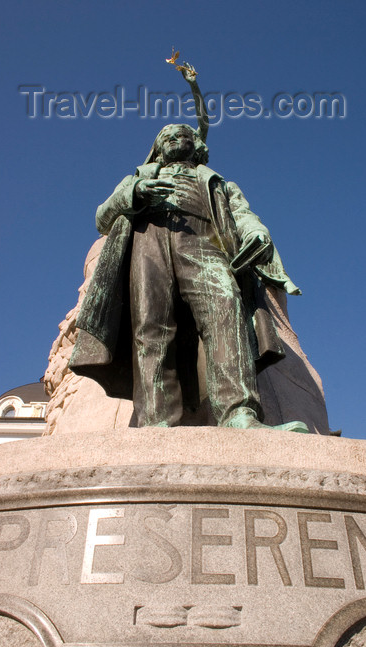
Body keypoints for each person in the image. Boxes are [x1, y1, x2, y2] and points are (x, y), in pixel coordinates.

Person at [70, 66, 308, 432]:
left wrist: (256, 233)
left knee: (226, 313)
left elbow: (243, 214)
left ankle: (240, 414)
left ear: (195, 146)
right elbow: (103, 218)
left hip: (205, 243)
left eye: (182, 134)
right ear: (157, 149)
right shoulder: (139, 177)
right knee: (151, 326)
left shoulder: (215, 182)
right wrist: (135, 194)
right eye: (166, 136)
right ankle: (156, 420)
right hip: (149, 243)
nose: (175, 137)